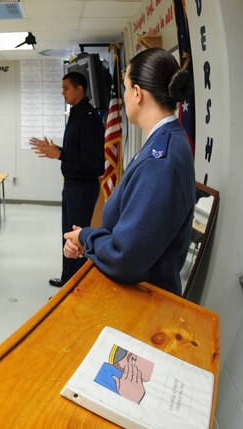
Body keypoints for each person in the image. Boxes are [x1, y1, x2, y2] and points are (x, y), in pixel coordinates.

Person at [63, 48, 195, 296]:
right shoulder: (162, 142)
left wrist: (86, 237)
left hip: (144, 301)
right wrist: (89, 242)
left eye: (124, 88)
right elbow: (131, 228)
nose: (123, 96)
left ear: (137, 93)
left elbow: (126, 258)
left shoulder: (160, 161)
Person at [30, 72, 105, 288]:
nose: (63, 92)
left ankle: (76, 286)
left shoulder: (89, 117)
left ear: (80, 89)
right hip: (72, 185)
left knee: (76, 238)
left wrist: (60, 154)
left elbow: (92, 161)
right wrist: (58, 150)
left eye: (66, 88)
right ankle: (67, 279)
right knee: (68, 236)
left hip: (82, 188)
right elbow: (77, 150)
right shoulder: (77, 113)